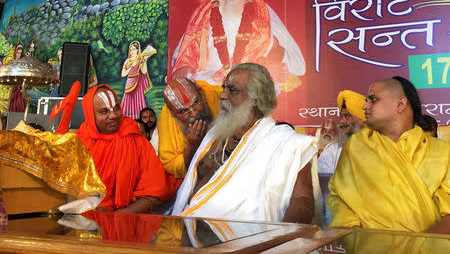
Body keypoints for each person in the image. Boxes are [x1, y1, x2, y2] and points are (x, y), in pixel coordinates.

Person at [172, 63, 319, 223]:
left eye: (233, 90)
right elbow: (194, 182)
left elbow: (302, 199)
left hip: (242, 240)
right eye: (224, 88)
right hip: (187, 230)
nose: (222, 96)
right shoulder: (213, 136)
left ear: (256, 98)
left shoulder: (286, 143)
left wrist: (281, 239)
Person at [328, 76, 450, 233]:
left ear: (400, 104)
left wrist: (421, 247)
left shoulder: (441, 152)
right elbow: (340, 200)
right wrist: (360, 239)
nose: (365, 106)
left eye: (373, 99)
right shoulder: (356, 147)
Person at [171, 0, 305, 93]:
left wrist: (270, 69)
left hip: (252, 84)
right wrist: (184, 67)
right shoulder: (202, 15)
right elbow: (182, 54)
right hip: (208, 84)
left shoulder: (263, 13)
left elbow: (290, 58)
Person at [77, 84, 178, 213]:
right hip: (82, 222)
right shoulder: (78, 144)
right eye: (104, 111)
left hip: (125, 222)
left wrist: (117, 216)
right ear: (90, 115)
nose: (113, 116)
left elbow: (154, 192)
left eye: (116, 108)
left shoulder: (136, 141)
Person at [158, 78, 220, 179]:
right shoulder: (166, 119)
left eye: (195, 103)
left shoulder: (217, 94)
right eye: (183, 111)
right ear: (173, 114)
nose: (194, 113)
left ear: (201, 93)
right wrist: (191, 146)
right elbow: (171, 164)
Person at [121, 41, 154, 119]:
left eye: (134, 49)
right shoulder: (127, 61)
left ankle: (139, 118)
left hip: (138, 82)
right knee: (128, 100)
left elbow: (144, 71)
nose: (132, 51)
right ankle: (127, 118)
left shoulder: (140, 60)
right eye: (131, 49)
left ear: (138, 50)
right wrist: (132, 66)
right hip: (129, 82)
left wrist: (145, 60)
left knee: (138, 99)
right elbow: (123, 74)